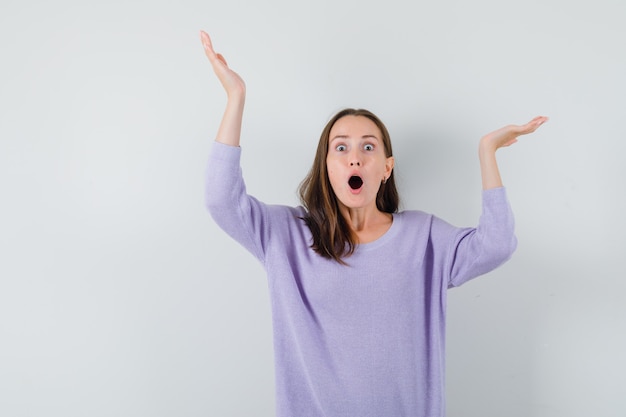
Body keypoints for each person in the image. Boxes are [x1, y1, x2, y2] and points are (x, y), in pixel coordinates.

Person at [200, 30, 547, 417]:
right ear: (327, 166)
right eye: (340, 147)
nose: (354, 158)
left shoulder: (425, 237)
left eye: (369, 147)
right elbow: (221, 200)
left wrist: (487, 151)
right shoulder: (286, 234)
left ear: (386, 168)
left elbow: (498, 243)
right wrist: (236, 97)